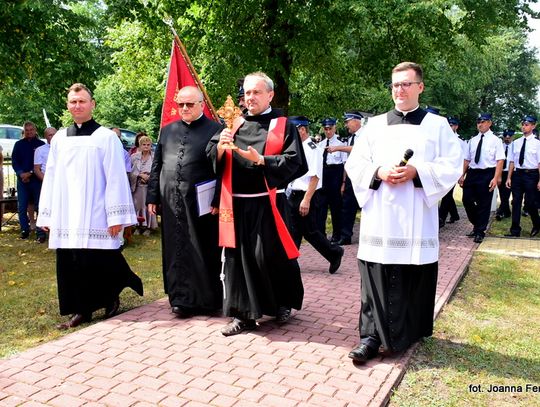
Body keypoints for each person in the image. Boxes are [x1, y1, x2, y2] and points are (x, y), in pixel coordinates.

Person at [345, 62, 462, 363]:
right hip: (380, 215)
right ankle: (370, 337)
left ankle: (407, 333)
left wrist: (417, 172)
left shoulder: (437, 125)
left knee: (411, 274)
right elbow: (355, 164)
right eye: (396, 84)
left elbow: (452, 164)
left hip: (416, 217)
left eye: (407, 84)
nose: (400, 90)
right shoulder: (375, 125)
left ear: (420, 87)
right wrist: (379, 170)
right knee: (376, 274)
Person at [207, 71, 307, 336]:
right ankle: (244, 316)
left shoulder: (283, 126)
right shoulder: (232, 124)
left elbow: (295, 161)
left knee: (270, 258)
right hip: (236, 205)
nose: (250, 97)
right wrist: (220, 147)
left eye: (257, 92)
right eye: (247, 93)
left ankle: (282, 303)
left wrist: (263, 160)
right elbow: (211, 155)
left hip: (268, 204)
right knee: (237, 261)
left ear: (270, 95)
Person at [36, 83, 143, 330]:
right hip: (67, 211)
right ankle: (80, 310)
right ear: (68, 105)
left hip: (96, 208)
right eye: (73, 102)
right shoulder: (60, 138)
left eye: (82, 101)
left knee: (99, 260)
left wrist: (115, 215)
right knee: (71, 262)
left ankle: (110, 298)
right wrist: (48, 214)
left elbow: (116, 176)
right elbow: (51, 176)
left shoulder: (105, 137)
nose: (77, 106)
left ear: (92, 104)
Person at [147, 85, 223, 318]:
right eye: (181, 104)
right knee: (174, 248)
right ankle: (179, 298)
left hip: (202, 202)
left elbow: (222, 169)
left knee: (202, 247)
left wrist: (219, 198)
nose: (185, 108)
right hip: (171, 201)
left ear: (201, 105)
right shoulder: (167, 131)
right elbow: (157, 165)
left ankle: (207, 299)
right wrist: (152, 196)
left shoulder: (216, 130)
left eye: (190, 104)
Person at [287, 115, 344, 274]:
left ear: (302, 129)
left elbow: (315, 176)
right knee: (295, 229)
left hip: (306, 195)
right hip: (295, 193)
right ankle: (290, 261)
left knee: (310, 231)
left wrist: (306, 200)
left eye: (293, 130)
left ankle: (334, 252)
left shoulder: (312, 148)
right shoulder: (298, 147)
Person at [459, 113, 505, 243]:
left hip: (487, 173)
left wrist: (496, 178)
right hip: (472, 173)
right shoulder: (472, 140)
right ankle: (477, 223)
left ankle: (480, 231)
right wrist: (462, 174)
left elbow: (500, 160)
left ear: (490, 123)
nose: (480, 124)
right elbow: (467, 159)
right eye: (478, 121)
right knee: (466, 199)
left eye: (483, 121)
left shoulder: (496, 140)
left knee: (484, 204)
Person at [327, 111, 364, 245]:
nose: (346, 124)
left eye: (347, 121)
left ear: (356, 121)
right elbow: (348, 162)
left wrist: (338, 148)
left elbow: (358, 150)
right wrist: (344, 181)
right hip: (350, 176)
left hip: (363, 175)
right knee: (347, 206)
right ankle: (345, 236)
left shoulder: (365, 135)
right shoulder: (350, 137)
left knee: (365, 206)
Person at [504, 115, 540, 237]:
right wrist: (509, 177)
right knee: (516, 202)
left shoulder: (537, 143)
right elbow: (512, 161)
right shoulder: (516, 143)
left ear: (533, 126)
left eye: (527, 124)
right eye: (523, 124)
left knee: (530, 203)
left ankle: (537, 224)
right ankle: (515, 230)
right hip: (518, 174)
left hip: (532, 174)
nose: (524, 127)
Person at [11, 121, 45, 241]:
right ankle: (24, 230)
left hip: (36, 179)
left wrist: (30, 173)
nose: (29, 132)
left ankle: (40, 233)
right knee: (22, 206)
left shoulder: (41, 144)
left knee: (39, 206)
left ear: (35, 130)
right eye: (27, 130)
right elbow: (14, 161)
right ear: (24, 131)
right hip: (22, 181)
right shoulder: (18, 144)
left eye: (31, 130)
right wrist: (21, 174)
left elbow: (41, 164)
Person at [317, 117, 346, 242]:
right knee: (321, 208)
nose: (328, 131)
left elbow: (345, 165)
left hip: (336, 176)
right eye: (326, 129)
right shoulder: (320, 145)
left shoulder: (341, 144)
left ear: (335, 128)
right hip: (324, 176)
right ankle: (321, 235)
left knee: (336, 209)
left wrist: (343, 183)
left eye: (330, 128)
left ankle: (336, 235)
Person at [32, 127, 57, 243]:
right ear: (45, 136)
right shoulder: (40, 150)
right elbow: (37, 169)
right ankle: (41, 234)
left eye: (54, 134)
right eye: (50, 135)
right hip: (45, 182)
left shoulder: (63, 149)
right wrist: (47, 182)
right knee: (42, 206)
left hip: (60, 183)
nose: (52, 137)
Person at [130, 135, 158, 235]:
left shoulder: (155, 157)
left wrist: (149, 177)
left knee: (148, 206)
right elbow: (130, 172)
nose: (146, 146)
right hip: (137, 186)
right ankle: (138, 226)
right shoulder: (134, 157)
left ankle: (149, 227)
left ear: (151, 146)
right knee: (137, 206)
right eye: (144, 144)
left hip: (150, 187)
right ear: (140, 145)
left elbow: (158, 172)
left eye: (148, 145)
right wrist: (139, 175)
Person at [438, 117, 463, 227]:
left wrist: (461, 174)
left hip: (453, 171)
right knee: (446, 194)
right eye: (449, 125)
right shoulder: (441, 138)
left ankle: (441, 218)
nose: (450, 127)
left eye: (452, 125)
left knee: (446, 195)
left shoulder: (460, 141)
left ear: (456, 126)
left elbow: (463, 158)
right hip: (441, 170)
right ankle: (454, 214)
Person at [495, 129, 515, 221]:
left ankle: (500, 212)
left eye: (509, 136)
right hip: (500, 172)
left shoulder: (515, 147)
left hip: (511, 172)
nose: (507, 138)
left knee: (506, 193)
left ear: (512, 137)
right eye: (505, 136)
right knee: (501, 193)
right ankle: (507, 212)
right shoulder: (499, 146)